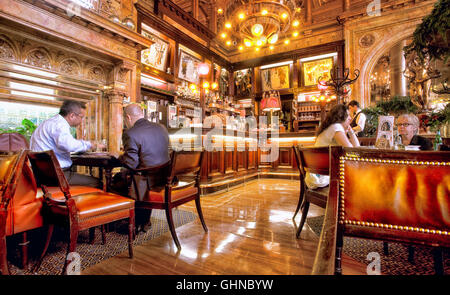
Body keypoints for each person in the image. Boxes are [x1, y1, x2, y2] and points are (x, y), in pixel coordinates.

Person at [112, 104, 170, 232]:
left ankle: (131, 222)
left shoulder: (130, 133)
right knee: (128, 177)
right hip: (163, 177)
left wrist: (119, 156)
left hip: (145, 180)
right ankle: (143, 220)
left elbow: (131, 164)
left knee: (115, 181)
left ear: (128, 117)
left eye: (125, 120)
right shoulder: (161, 128)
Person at [30, 100, 104, 188]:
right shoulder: (59, 124)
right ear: (72, 115)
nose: (82, 121)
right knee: (97, 182)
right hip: (56, 176)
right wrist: (90, 144)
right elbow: (68, 145)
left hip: (41, 175)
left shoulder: (48, 123)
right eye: (81, 117)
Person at [305, 104, 360, 189]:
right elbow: (352, 150)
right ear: (341, 116)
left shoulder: (332, 127)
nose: (350, 118)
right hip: (323, 178)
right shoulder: (336, 127)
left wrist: (350, 131)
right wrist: (351, 132)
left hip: (319, 174)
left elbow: (357, 148)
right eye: (348, 115)